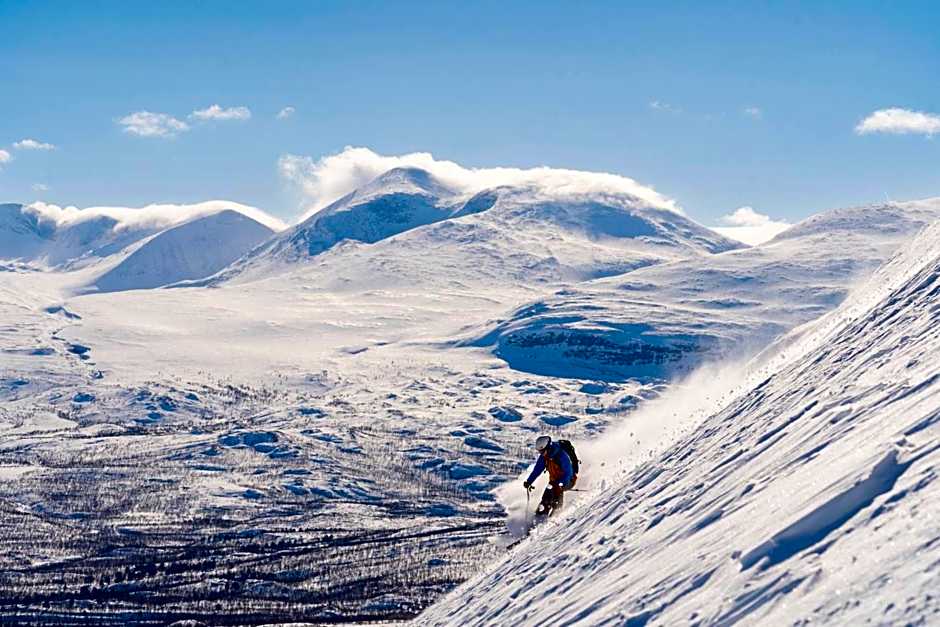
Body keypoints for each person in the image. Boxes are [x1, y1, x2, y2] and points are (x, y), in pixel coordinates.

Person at [522, 435, 575, 517]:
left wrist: (560, 483)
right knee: (548, 494)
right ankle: (540, 513)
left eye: (542, 451)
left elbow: (568, 473)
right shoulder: (544, 457)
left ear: (548, 448)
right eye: (540, 452)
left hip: (568, 480)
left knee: (553, 491)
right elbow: (537, 470)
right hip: (554, 481)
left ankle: (556, 513)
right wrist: (529, 481)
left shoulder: (562, 456)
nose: (541, 454)